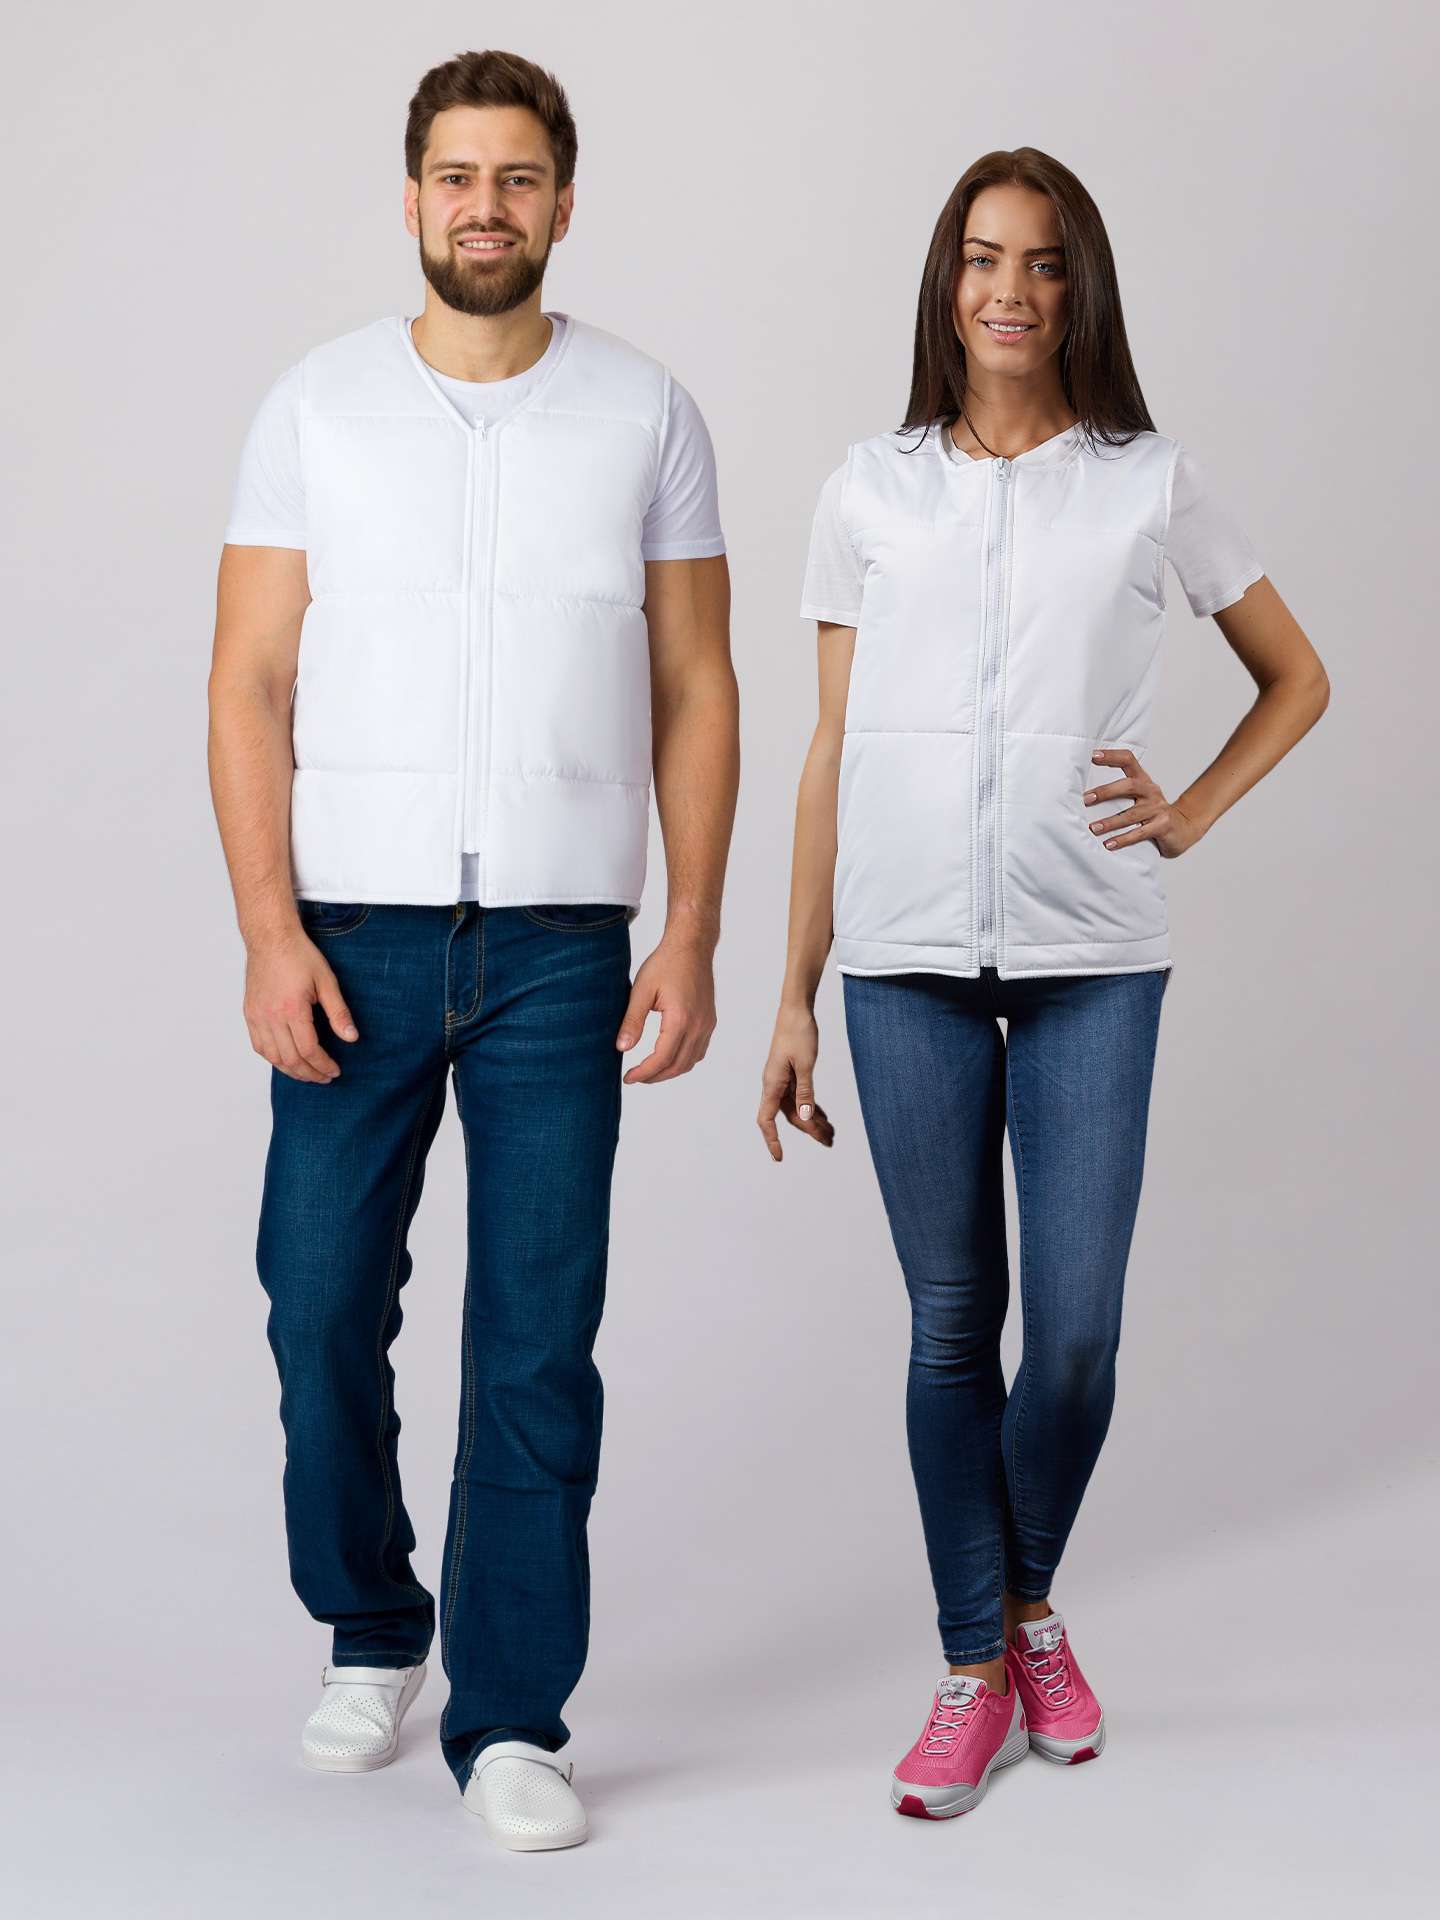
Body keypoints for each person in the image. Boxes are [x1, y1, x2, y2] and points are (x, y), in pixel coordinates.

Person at [208, 48, 739, 1850]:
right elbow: (248, 679)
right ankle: (375, 1625)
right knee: (317, 1307)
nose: (485, 206)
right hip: (349, 935)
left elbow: (696, 683)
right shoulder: (318, 405)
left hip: (562, 948)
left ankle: (513, 1718)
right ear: (412, 196)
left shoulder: (646, 411)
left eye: (517, 177)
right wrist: (268, 929)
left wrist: (693, 927)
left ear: (564, 201)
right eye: (456, 175)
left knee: (534, 1339)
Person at [758, 147, 1328, 1823]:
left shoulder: (1149, 482)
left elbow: (1297, 676)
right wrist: (792, 992)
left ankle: (1017, 1613)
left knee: (1072, 1335)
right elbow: (832, 750)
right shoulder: (869, 488)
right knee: (953, 1326)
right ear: (947, 284)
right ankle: (977, 1668)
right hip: (904, 959)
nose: (1011, 289)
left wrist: (1189, 813)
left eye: (1046, 261)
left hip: (1094, 954)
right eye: (984, 257)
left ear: (1084, 290)